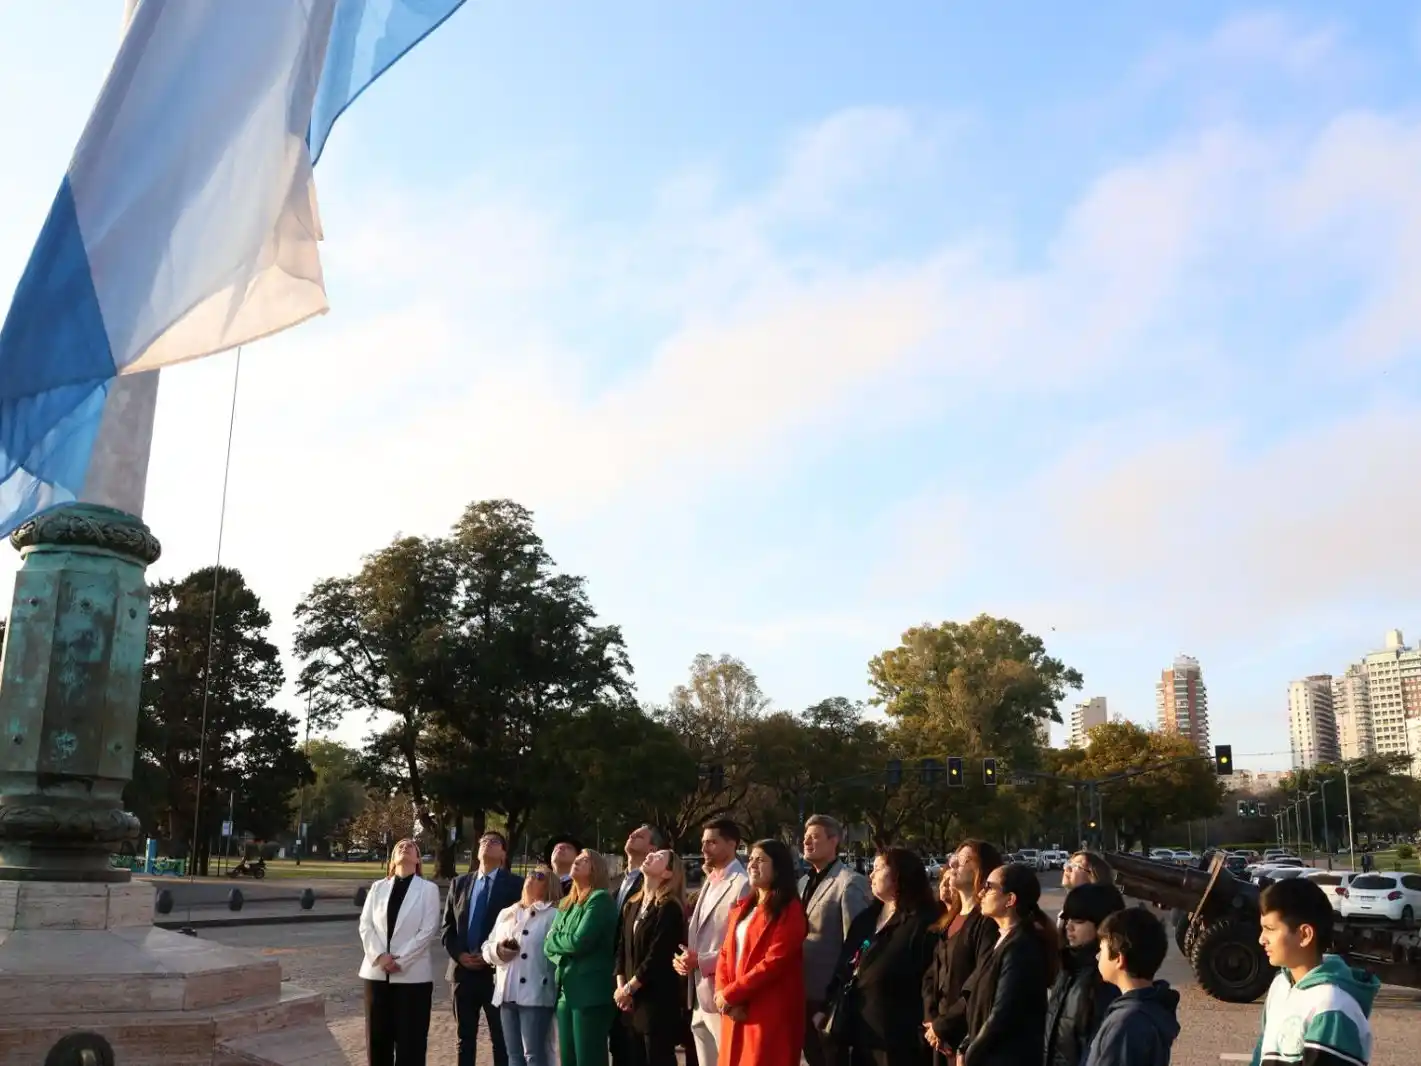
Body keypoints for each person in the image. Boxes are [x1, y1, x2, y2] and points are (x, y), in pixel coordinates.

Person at [821, 848, 940, 1066]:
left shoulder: (924, 923)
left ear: (899, 875)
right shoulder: (867, 918)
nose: (871, 875)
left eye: (878, 868)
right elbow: (845, 963)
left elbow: (930, 979)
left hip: (899, 1037)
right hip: (857, 1034)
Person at [1250, 878, 1378, 1066]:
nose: (1262, 939)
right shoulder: (1280, 985)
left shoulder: (1332, 1007)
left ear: (1305, 935)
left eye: (1270, 929)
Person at [713, 839, 808, 1066]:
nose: (753, 864)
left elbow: (774, 962)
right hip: (734, 1010)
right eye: (751, 859)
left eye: (761, 860)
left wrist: (731, 994)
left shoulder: (790, 910)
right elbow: (725, 954)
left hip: (767, 1012)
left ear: (778, 868)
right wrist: (721, 993)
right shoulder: (744, 907)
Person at [956, 862, 1057, 1066]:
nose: (981, 893)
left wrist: (970, 1055)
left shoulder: (1022, 947)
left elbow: (1002, 1013)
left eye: (989, 887)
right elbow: (980, 1001)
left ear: (1010, 899)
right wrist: (966, 1044)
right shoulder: (1002, 940)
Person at [444, 831, 526, 1066]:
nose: (487, 844)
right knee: (464, 1038)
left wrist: (493, 955)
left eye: (495, 842)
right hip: (462, 972)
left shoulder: (515, 885)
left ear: (503, 853)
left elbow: (519, 928)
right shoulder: (459, 883)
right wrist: (460, 955)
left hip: (496, 974)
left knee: (501, 1040)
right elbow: (447, 927)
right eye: (483, 841)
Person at [358, 838, 442, 1066]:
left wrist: (400, 960)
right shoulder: (377, 888)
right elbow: (366, 925)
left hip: (413, 977)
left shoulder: (428, 890)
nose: (405, 848)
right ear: (393, 859)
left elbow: (428, 930)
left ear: (417, 859)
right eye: (399, 847)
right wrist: (380, 957)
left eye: (411, 846)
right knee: (377, 1041)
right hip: (376, 974)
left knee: (410, 1042)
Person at [799, 814, 872, 1066]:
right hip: (800, 995)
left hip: (829, 1001)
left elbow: (858, 948)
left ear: (835, 840)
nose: (807, 842)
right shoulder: (802, 883)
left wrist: (838, 1000)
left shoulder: (849, 884)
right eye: (805, 837)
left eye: (815, 837)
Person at [675, 818, 749, 1066]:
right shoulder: (710, 879)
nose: (704, 848)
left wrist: (702, 961)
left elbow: (743, 946)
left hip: (723, 993)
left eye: (712, 842)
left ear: (732, 844)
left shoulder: (743, 883)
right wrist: (686, 959)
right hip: (698, 994)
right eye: (703, 842)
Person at [923, 840, 1004, 1061]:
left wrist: (944, 1026)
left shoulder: (986, 922)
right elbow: (932, 973)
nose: (954, 866)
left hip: (965, 1035)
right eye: (954, 860)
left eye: (965, 860)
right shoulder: (950, 919)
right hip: (938, 1034)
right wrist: (931, 1019)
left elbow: (979, 982)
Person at [614, 849, 689, 1066]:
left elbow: (657, 956)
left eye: (659, 857)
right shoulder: (633, 904)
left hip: (656, 1003)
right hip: (631, 1003)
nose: (651, 855)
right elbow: (622, 949)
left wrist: (629, 989)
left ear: (667, 873)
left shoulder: (669, 908)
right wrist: (621, 987)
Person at [485, 864, 564, 1066]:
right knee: (513, 1055)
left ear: (549, 884)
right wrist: (499, 951)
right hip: (507, 992)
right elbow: (488, 945)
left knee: (534, 1055)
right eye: (529, 873)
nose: (531, 877)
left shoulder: (554, 915)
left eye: (538, 875)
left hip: (536, 994)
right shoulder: (507, 912)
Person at [545, 849, 619, 1066]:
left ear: (596, 868)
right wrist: (558, 944)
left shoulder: (600, 899)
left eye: (584, 860)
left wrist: (556, 940)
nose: (577, 862)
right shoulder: (567, 902)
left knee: (589, 1059)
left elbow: (579, 941)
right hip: (566, 991)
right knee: (568, 1059)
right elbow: (547, 946)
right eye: (577, 859)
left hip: (591, 992)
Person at [1081, 908, 1179, 1066]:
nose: (1097, 956)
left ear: (1119, 959)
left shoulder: (1125, 1024)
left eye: (1101, 950)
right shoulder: (1153, 1008)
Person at [1044, 883, 1126, 1066]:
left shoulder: (1106, 980)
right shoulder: (1067, 966)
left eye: (1079, 921)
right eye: (1067, 919)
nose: (1069, 927)